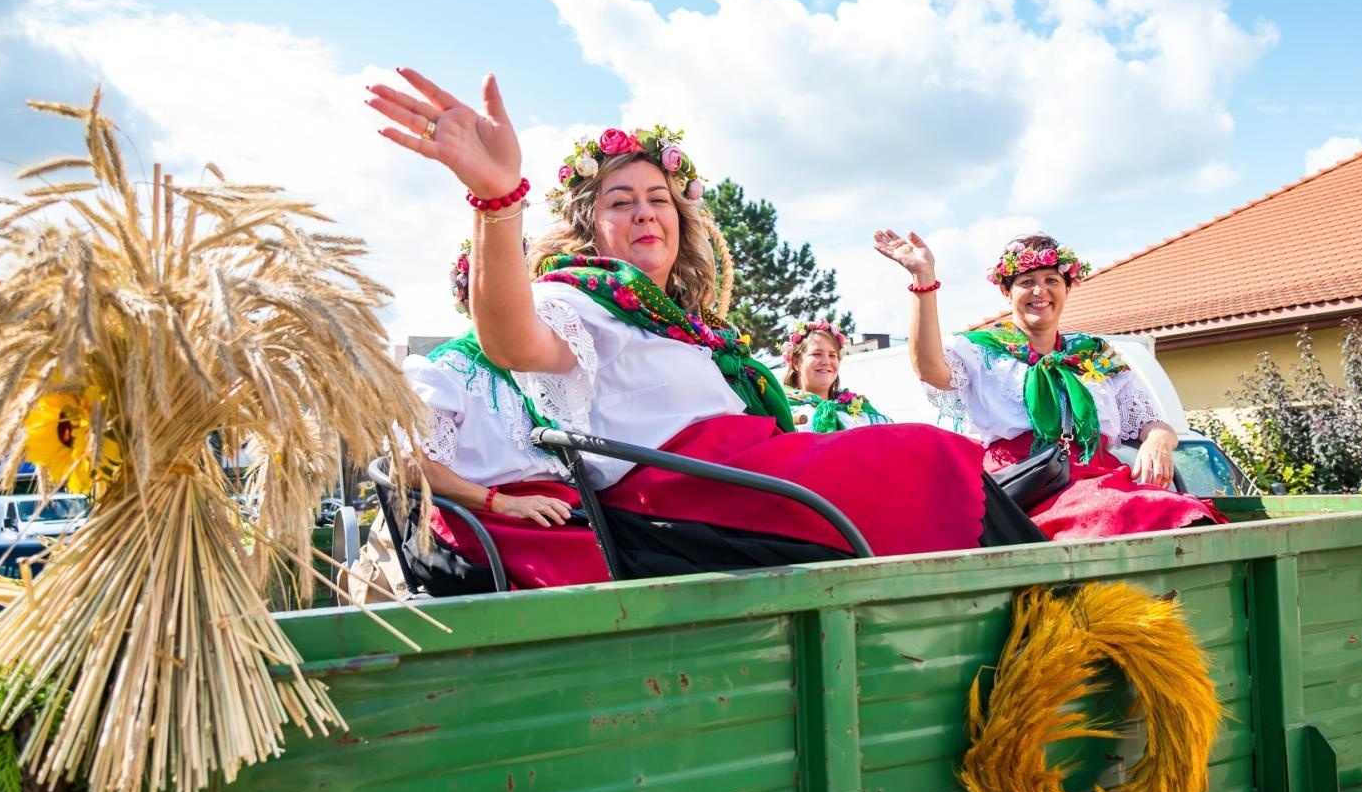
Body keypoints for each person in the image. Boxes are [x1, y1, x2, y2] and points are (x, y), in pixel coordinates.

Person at [368, 69, 1024, 572]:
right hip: (679, 505)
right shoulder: (579, 300)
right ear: (589, 228)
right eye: (619, 202)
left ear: (681, 222)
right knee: (925, 455)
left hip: (743, 478)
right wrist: (497, 200)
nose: (644, 213)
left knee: (937, 465)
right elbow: (511, 340)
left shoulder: (685, 325)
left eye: (658, 200)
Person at [873, 229, 1225, 539]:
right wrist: (924, 280)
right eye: (1026, 281)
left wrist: (1159, 442)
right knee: (1123, 513)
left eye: (1052, 280)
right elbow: (929, 368)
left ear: (1068, 289)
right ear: (1007, 293)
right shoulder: (981, 352)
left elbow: (1152, 423)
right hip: (1027, 491)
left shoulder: (1096, 355)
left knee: (1185, 513)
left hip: (1102, 481)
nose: (1039, 290)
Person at [397, 267, 608, 590]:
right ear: (469, 302)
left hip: (563, 509)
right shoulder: (443, 372)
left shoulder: (549, 368)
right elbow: (414, 466)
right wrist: (502, 503)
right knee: (594, 574)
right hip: (489, 518)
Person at [781, 321, 891, 432]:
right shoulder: (782, 409)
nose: (826, 361)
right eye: (817, 354)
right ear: (796, 362)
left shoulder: (860, 410)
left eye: (832, 355)